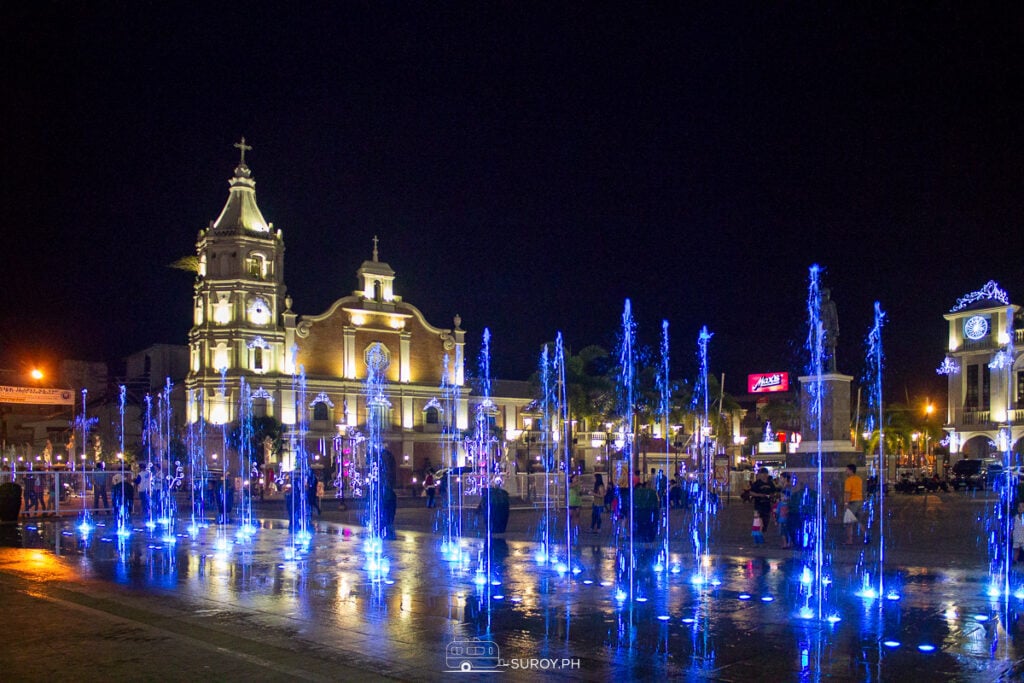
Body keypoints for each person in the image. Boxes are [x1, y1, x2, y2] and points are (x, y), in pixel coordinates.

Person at [749, 468, 777, 534]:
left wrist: (771, 495)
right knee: (758, 520)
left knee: (766, 520)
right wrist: (759, 495)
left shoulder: (770, 483)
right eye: (762, 473)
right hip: (758, 505)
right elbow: (751, 492)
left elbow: (774, 492)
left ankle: (763, 531)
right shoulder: (757, 483)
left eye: (765, 473)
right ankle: (758, 534)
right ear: (760, 475)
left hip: (767, 505)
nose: (764, 475)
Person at [844, 463, 864, 544]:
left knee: (849, 523)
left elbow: (847, 493)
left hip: (852, 502)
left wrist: (846, 503)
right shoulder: (859, 479)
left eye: (847, 470)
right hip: (860, 501)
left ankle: (849, 540)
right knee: (859, 521)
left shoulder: (848, 480)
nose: (846, 471)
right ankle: (866, 536)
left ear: (851, 471)